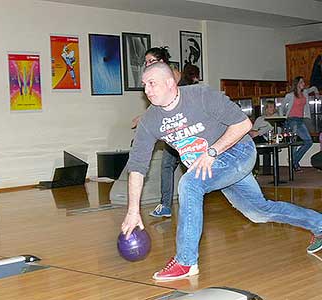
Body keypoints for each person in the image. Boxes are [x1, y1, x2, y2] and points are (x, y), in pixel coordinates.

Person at [121, 62, 322, 282]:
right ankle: (319, 225)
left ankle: (186, 261)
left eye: (152, 83)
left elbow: (243, 125)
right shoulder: (150, 120)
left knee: (189, 184)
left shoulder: (201, 95)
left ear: (170, 83)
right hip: (216, 167)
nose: (147, 90)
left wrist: (212, 152)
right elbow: (137, 166)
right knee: (259, 212)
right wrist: (133, 211)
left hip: (239, 151)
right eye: (144, 85)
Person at [138, 47, 185, 218]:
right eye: (146, 62)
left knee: (192, 167)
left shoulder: (173, 75)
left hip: (187, 130)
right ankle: (165, 205)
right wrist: (143, 117)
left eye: (151, 61)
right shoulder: (155, 81)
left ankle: (194, 200)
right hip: (172, 131)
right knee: (166, 165)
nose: (147, 64)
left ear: (162, 61)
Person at [280, 76, 320, 172]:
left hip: (301, 120)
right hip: (292, 120)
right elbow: (281, 107)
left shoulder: (305, 92)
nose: (304, 84)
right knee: (296, 143)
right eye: (302, 82)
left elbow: (313, 88)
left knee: (307, 142)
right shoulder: (289, 95)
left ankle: (293, 161)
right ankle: (294, 163)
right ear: (297, 84)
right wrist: (283, 118)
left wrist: (317, 92)